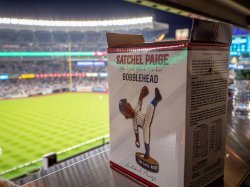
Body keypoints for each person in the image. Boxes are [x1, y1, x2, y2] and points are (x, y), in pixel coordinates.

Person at [119, 86, 162, 159]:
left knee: (149, 106)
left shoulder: (136, 109)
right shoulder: (134, 122)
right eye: (127, 110)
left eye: (128, 105)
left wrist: (141, 95)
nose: (129, 108)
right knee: (145, 136)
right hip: (145, 125)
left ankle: (157, 98)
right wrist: (137, 139)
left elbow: (140, 101)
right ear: (126, 115)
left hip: (146, 118)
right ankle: (147, 153)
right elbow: (136, 132)